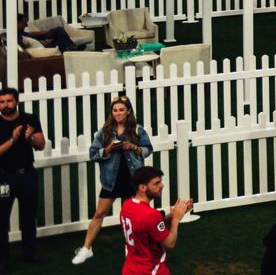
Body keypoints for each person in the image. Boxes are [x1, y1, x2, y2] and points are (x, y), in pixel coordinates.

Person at [71, 95, 152, 265]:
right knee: (99, 214)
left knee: (136, 216)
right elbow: (93, 154)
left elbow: (148, 149)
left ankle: (135, 248)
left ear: (128, 111)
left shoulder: (137, 130)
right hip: (111, 181)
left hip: (133, 180)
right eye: (115, 110)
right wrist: (108, 149)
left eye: (121, 110)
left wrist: (133, 147)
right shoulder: (104, 132)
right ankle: (86, 248)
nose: (118, 113)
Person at [0, 85, 48, 266]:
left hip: (27, 174)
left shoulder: (30, 119)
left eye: (9, 101)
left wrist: (30, 138)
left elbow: (41, 145)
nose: (5, 105)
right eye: (1, 102)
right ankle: (2, 260)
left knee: (29, 217)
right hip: (4, 178)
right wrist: (12, 140)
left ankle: (30, 254)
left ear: (17, 101)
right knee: (1, 220)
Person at [116, 166, 191, 275]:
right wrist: (176, 219)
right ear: (142, 187)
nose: (162, 185)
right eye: (156, 183)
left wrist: (172, 215)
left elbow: (147, 226)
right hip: (152, 270)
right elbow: (170, 243)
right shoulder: (151, 215)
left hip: (130, 269)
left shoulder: (127, 205)